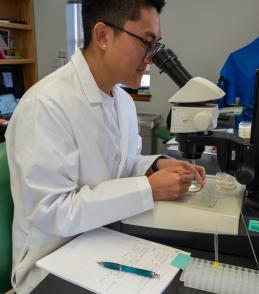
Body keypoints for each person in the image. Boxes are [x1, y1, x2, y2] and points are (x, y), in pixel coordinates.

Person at [5, 0, 205, 293]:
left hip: (103, 239)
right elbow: (53, 212)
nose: (151, 59)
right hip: (48, 265)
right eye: (146, 43)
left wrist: (156, 165)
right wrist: (149, 189)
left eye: (156, 47)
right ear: (102, 36)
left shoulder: (122, 100)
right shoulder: (45, 106)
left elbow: (123, 163)